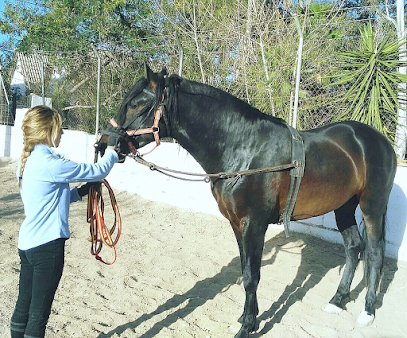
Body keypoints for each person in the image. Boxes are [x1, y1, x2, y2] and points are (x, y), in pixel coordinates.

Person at [10, 105, 125, 338]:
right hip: (48, 248)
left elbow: (51, 197)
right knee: (38, 316)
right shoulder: (52, 164)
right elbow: (98, 170)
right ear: (47, 131)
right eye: (59, 128)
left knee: (24, 307)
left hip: (28, 245)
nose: (62, 133)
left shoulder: (30, 162)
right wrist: (112, 148)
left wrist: (81, 192)